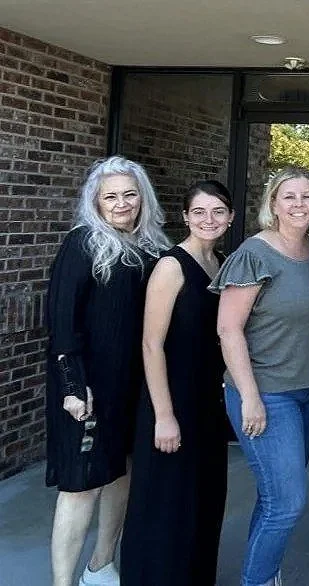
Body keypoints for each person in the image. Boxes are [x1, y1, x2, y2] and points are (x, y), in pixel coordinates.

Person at [45, 155, 170, 586]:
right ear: (95, 202)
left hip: (133, 387)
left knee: (122, 475)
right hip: (86, 388)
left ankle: (101, 567)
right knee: (80, 486)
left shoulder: (152, 248)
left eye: (130, 195)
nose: (121, 204)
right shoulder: (82, 244)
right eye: (110, 196)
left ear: (143, 198)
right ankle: (63, 582)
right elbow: (62, 323)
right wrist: (73, 386)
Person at [211, 166, 309, 586]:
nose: (299, 205)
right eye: (289, 197)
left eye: (307, 197)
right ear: (273, 205)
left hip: (307, 395)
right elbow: (228, 329)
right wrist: (250, 397)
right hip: (264, 393)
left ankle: (264, 573)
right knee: (288, 502)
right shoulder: (254, 253)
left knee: (275, 497)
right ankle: (257, 580)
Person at [121, 180, 233, 586]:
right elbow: (151, 344)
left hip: (206, 403)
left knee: (202, 504)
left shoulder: (221, 264)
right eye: (199, 212)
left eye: (218, 211)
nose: (209, 219)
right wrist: (164, 416)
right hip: (169, 400)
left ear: (230, 217)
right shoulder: (171, 265)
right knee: (164, 509)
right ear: (186, 217)